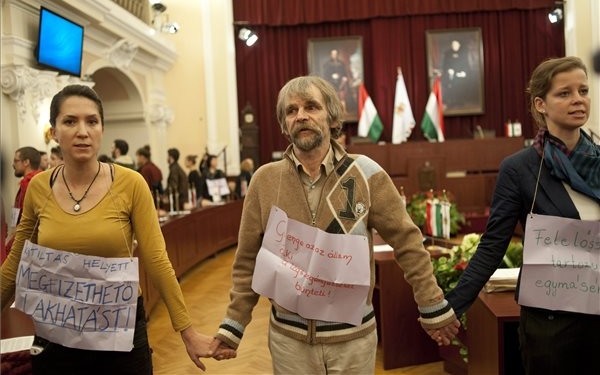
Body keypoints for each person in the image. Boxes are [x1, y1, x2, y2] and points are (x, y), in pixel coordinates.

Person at [210, 76, 460, 373]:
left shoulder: (366, 173)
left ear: (331, 117)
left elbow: (407, 242)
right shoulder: (265, 180)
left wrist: (431, 303)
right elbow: (247, 260)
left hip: (353, 341)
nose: (301, 115)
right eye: (291, 111)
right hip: (289, 342)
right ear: (283, 125)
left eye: (311, 106)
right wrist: (233, 325)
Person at [0, 84, 223, 374]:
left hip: (120, 333)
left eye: (91, 121)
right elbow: (16, 262)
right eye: (70, 121)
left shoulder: (131, 184)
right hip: (56, 336)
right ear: (54, 131)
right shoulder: (39, 187)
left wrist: (187, 331)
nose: (83, 131)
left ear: (102, 129)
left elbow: (157, 260)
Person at [445, 56, 599, 375]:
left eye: (583, 90)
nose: (578, 100)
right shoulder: (518, 168)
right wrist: (451, 306)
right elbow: (493, 246)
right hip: (551, 323)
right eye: (565, 93)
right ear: (540, 104)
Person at [5, 146, 43, 258]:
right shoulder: (39, 179)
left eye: (16, 161)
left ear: (26, 162)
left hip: (28, 243)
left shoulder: (30, 183)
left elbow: (27, 220)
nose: (13, 165)